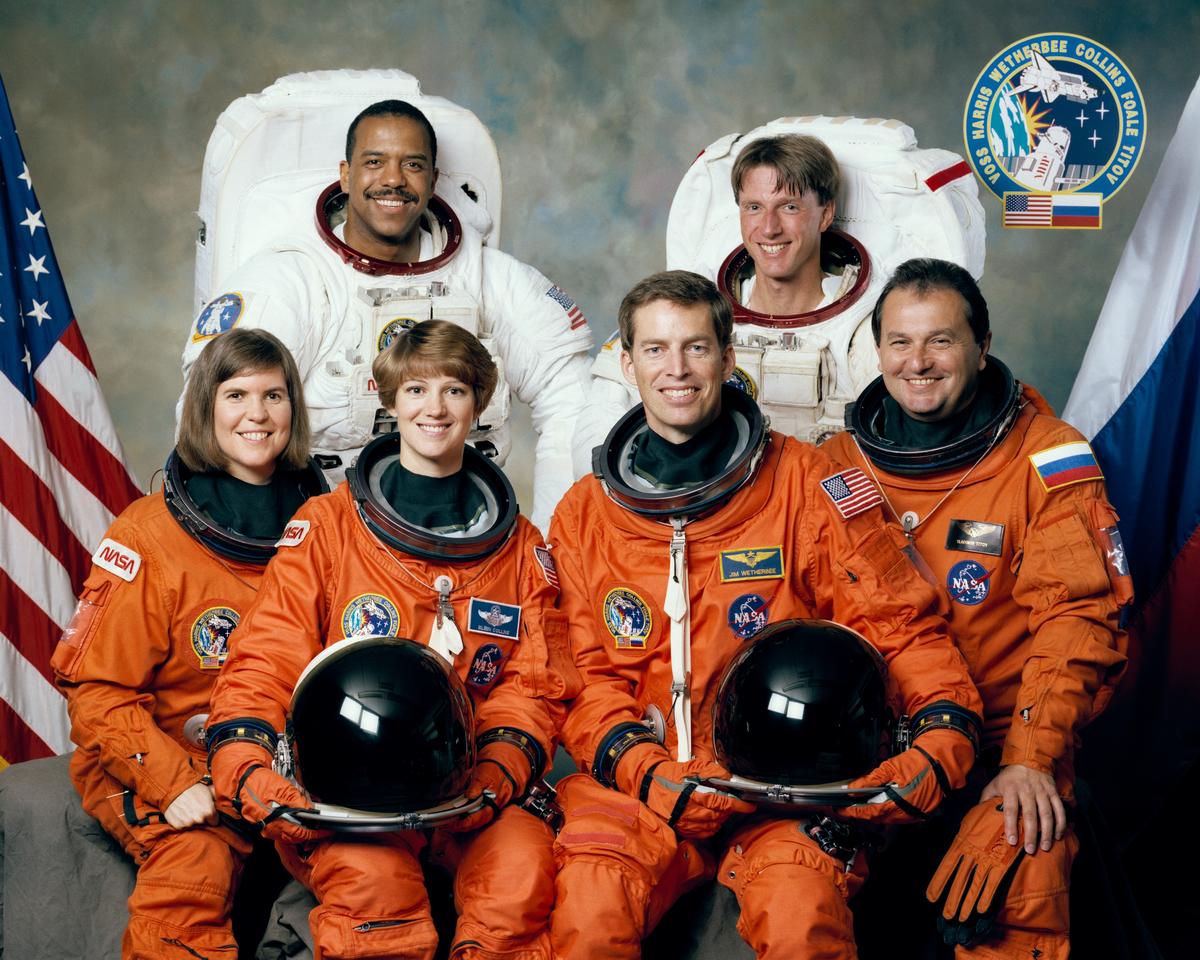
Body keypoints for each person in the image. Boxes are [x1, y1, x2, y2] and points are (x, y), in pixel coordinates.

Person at [548, 270, 984, 958]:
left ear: (728, 357)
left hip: (787, 786)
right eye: (656, 351)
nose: (677, 370)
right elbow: (583, 681)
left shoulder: (807, 484)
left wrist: (941, 734)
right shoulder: (584, 515)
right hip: (646, 783)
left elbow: (897, 625)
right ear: (627, 364)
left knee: (798, 912)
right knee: (590, 911)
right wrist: (647, 770)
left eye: (696, 347)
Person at [205, 320, 579, 960]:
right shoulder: (327, 527)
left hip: (471, 791)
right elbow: (266, 659)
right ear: (388, 399)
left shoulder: (520, 548)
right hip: (346, 796)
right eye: (416, 391)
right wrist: (245, 763)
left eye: (455, 391)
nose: (435, 410)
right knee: (375, 893)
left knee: (520, 878)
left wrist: (496, 772)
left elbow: (534, 685)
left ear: (480, 403)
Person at [823, 258, 1130, 959]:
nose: (918, 362)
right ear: (878, 352)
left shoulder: (1047, 456)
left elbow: (1077, 619)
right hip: (875, 753)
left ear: (981, 345)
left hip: (1001, 747)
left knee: (1021, 873)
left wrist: (1030, 761)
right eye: (900, 342)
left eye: (941, 341)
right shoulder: (838, 462)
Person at [181, 98, 593, 532]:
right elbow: (212, 413)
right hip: (321, 539)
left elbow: (572, 399)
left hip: (466, 533)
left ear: (433, 180)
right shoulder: (291, 280)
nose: (393, 179)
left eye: (412, 165)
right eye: (375, 162)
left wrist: (556, 539)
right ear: (345, 175)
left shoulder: (491, 280)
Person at [51, 328, 322, 959]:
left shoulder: (326, 522)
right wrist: (174, 785)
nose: (257, 415)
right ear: (205, 408)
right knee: (193, 870)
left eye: (274, 396)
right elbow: (96, 692)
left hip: (282, 763)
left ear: (293, 409)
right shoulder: (148, 535)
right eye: (236, 395)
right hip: (172, 754)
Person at [574, 133, 878, 468]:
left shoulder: (863, 327)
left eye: (789, 207)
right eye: (754, 208)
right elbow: (599, 421)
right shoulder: (691, 305)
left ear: (825, 215)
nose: (769, 228)